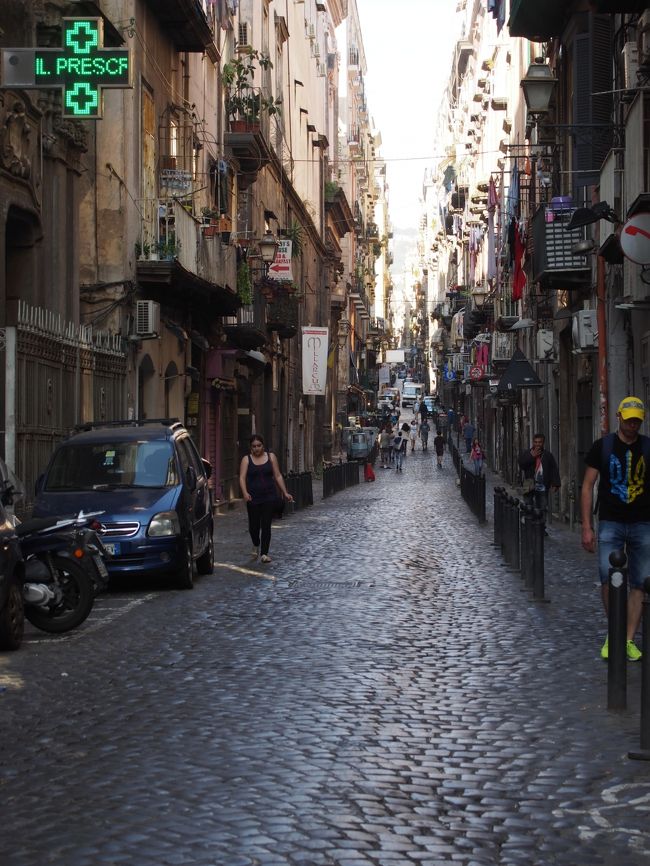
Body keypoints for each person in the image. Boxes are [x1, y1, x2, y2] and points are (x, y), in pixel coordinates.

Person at [581, 397, 650, 662]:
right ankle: (615, 631)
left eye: (637, 421)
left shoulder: (647, 448)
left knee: (640, 582)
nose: (632, 425)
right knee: (608, 579)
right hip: (610, 521)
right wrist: (587, 526)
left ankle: (629, 638)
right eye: (629, 419)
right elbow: (588, 485)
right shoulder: (603, 447)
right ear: (619, 417)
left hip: (643, 521)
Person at [239, 434, 293, 564]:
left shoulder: (271, 457)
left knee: (266, 525)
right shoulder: (246, 460)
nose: (257, 448)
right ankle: (256, 544)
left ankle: (264, 553)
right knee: (254, 526)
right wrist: (245, 493)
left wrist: (285, 492)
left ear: (263, 446)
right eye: (254, 446)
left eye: (259, 446)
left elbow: (278, 475)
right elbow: (241, 477)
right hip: (253, 497)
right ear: (250, 448)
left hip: (269, 496)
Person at [518, 432, 560, 522]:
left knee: (542, 506)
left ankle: (541, 527)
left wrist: (555, 483)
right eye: (536, 442)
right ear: (533, 442)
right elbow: (522, 464)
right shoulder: (527, 453)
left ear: (543, 443)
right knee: (528, 504)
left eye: (539, 442)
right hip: (528, 483)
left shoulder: (547, 455)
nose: (537, 444)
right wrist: (531, 457)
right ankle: (529, 524)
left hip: (542, 484)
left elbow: (553, 469)